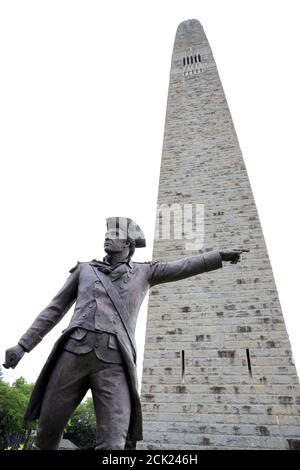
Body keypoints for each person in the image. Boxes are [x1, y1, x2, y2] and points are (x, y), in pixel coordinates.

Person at [3, 216, 243, 449]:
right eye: (106, 234)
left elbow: (182, 266)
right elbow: (53, 310)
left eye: (114, 234)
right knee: (46, 433)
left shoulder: (145, 272)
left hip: (114, 363)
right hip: (72, 355)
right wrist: (23, 345)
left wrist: (216, 258)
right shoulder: (85, 270)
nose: (107, 238)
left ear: (128, 244)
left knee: (113, 443)